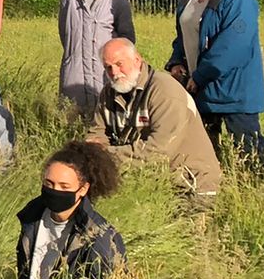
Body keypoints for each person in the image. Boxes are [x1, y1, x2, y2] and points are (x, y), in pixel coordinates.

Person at [166, 0, 264, 168]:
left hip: (233, 86)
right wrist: (176, 61)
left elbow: (234, 44)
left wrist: (201, 75)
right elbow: (185, 33)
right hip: (199, 87)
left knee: (249, 150)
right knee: (201, 151)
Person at [15, 140, 126, 279]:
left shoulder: (100, 236)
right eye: (49, 183)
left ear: (83, 189)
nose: (55, 191)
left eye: (64, 187)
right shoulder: (31, 219)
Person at [91, 38, 223, 198]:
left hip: (189, 184)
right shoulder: (109, 93)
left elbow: (158, 152)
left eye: (119, 64)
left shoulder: (165, 91)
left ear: (137, 60)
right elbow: (96, 134)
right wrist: (93, 153)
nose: (114, 73)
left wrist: (104, 156)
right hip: (147, 178)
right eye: (108, 67)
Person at [58, 0, 136, 119]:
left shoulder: (117, 1)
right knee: (72, 121)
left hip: (105, 73)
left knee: (106, 119)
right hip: (74, 72)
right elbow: (64, 33)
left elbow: (127, 39)